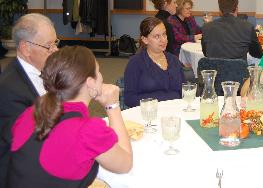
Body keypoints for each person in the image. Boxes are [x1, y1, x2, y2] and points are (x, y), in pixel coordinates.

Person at [6, 46, 133, 187]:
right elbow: (125, 164)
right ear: (91, 83)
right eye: (98, 72)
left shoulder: (30, 112)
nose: (101, 77)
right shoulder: (86, 130)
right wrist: (112, 106)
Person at [0, 13, 59, 187]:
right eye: (49, 45)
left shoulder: (44, 69)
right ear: (26, 49)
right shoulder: (10, 89)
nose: (55, 50)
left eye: (55, 43)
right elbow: (29, 145)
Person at [124, 17, 185, 108]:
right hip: (148, 113)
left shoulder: (174, 60)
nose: (163, 40)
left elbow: (183, 91)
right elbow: (129, 99)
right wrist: (166, 99)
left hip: (174, 111)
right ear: (145, 39)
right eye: (157, 36)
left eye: (164, 34)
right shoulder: (136, 63)